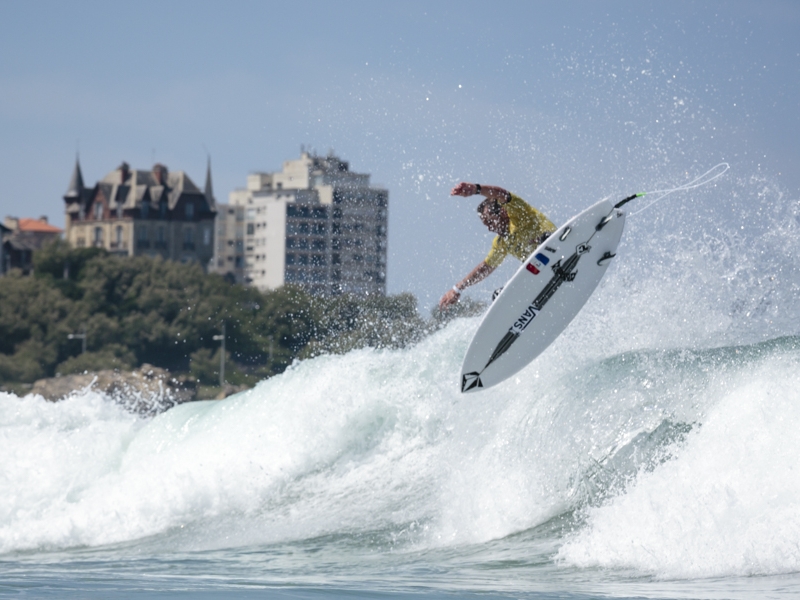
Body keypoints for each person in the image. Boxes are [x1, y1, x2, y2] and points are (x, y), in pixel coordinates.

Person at [438, 182, 556, 310]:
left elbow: (502, 194)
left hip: (558, 249)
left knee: (544, 239)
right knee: (500, 295)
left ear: (503, 211)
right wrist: (458, 288)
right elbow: (486, 267)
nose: (489, 228)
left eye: (490, 222)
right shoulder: (502, 242)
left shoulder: (520, 213)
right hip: (540, 273)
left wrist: (476, 189)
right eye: (486, 225)